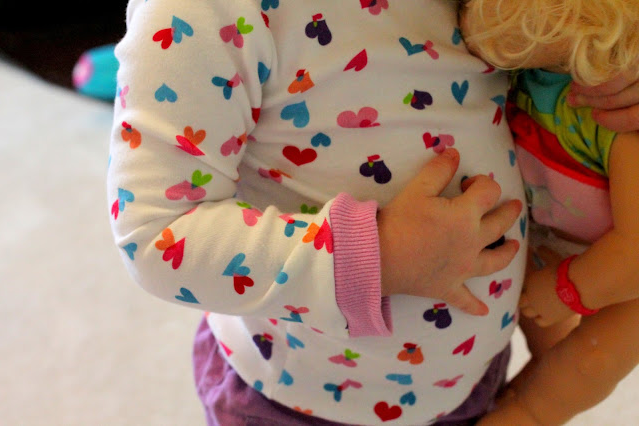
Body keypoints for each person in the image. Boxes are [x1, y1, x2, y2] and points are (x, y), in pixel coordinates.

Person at [107, 0, 637, 424]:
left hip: (468, 381)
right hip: (295, 400)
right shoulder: (202, 11)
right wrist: (379, 254)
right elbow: (156, 237)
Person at [460, 0, 639, 424]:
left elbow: (635, 252)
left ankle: (529, 414)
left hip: (623, 280)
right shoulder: (530, 70)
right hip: (549, 237)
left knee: (587, 364)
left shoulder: (616, 115)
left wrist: (567, 291)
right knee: (547, 339)